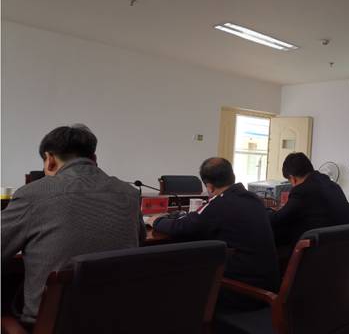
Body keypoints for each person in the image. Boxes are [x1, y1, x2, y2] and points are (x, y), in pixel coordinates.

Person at [1, 124, 144, 327]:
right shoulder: (129, 193)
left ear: (49, 159)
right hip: (119, 320)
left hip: (50, 325)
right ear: (94, 159)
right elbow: (140, 239)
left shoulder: (32, 194)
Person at [149, 157, 279, 312]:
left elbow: (181, 227)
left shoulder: (220, 204)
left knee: (176, 276)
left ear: (209, 187)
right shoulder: (253, 199)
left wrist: (156, 220)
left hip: (241, 293)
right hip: (268, 288)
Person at [269, 153, 349, 253]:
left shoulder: (302, 190)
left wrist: (262, 213)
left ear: (293, 178)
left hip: (318, 253)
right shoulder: (333, 185)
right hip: (346, 252)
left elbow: (279, 218)